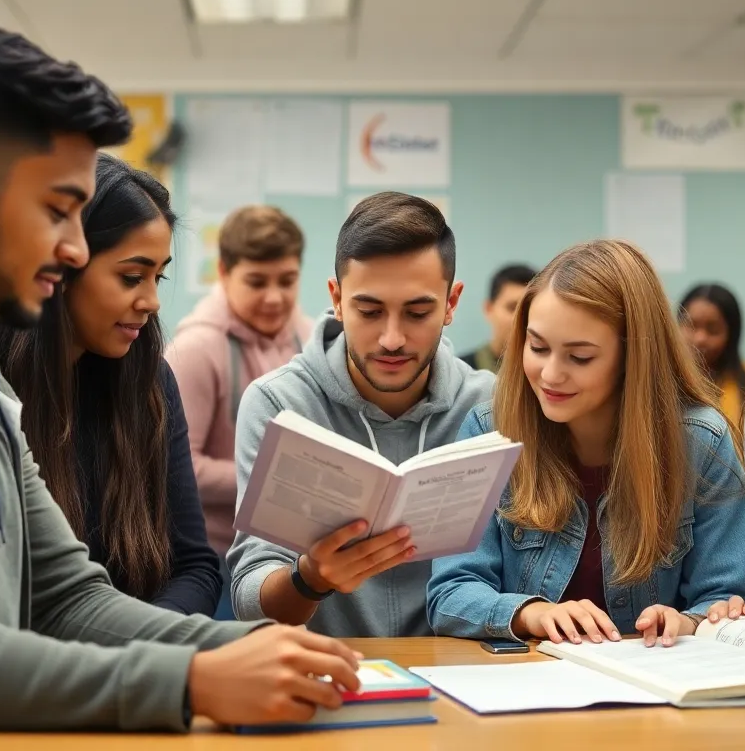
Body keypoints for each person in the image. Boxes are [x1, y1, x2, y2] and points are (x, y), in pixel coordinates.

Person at [0, 23, 359, 749]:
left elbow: (66, 596)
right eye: (55, 209)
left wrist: (238, 647)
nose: (72, 248)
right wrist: (191, 681)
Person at [428, 240, 745, 647]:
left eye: (580, 357)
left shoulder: (702, 442)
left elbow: (728, 598)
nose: (550, 374)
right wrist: (535, 613)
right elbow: (451, 593)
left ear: (633, 357)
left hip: (653, 693)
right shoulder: (488, 431)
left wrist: (686, 622)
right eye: (537, 347)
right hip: (524, 689)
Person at [226, 191, 496, 636]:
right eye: (369, 311)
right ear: (336, 298)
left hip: (460, 671)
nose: (392, 338)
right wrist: (309, 577)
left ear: (451, 303)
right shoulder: (279, 404)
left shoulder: (489, 408)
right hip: (327, 673)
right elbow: (249, 602)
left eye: (417, 312)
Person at [0, 154, 220, 617]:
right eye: (131, 277)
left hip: (136, 671)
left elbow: (194, 566)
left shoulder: (148, 380)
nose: (151, 301)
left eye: (158, 276)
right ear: (63, 267)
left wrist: (147, 649)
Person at [167, 205, 311, 617]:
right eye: (256, 281)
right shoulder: (194, 350)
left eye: (287, 281)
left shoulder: (309, 336)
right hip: (217, 561)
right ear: (224, 273)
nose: (274, 297)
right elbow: (179, 470)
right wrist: (281, 479)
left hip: (295, 559)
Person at [678, 283, 745, 429]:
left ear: (731, 335)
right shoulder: (660, 379)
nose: (700, 338)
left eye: (712, 329)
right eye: (691, 325)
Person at [458, 263, 537, 372]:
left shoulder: (544, 374)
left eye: (528, 309)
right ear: (489, 309)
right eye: (512, 307)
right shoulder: (459, 372)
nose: (521, 318)